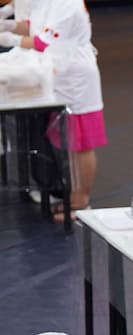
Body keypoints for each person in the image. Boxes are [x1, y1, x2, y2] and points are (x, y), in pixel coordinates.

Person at [0, 0, 104, 221]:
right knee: (68, 142)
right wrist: (10, 27)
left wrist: (9, 39)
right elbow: (34, 26)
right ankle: (73, 194)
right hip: (58, 72)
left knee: (81, 144)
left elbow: (42, 42)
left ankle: (81, 200)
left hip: (76, 78)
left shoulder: (68, 5)